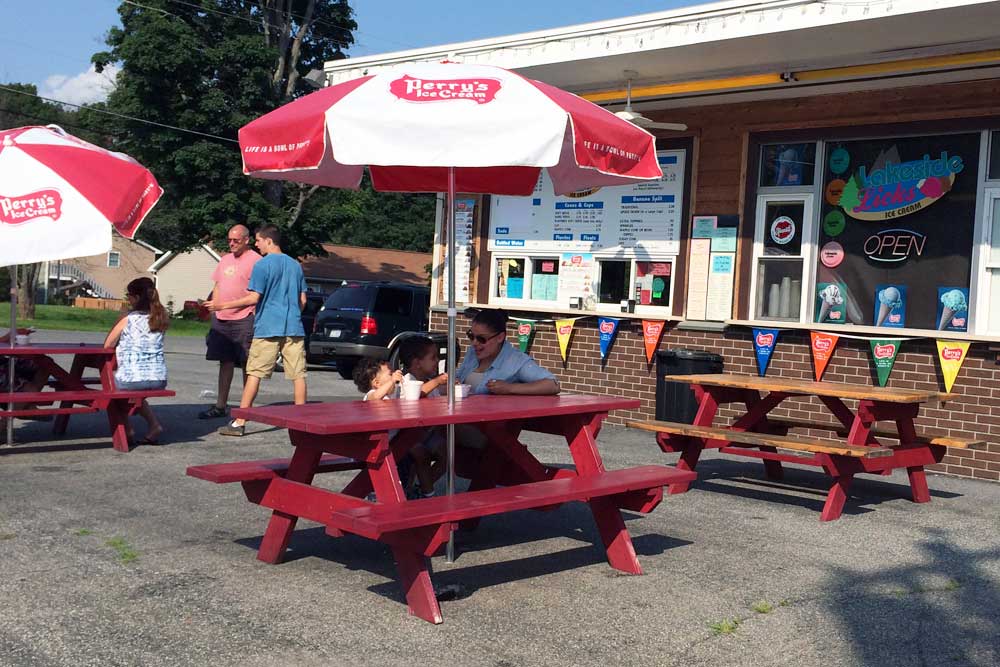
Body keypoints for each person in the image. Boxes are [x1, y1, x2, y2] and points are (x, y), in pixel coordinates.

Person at [206, 225, 308, 437]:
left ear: (269, 241)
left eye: (259, 241)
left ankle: (240, 421)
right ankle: (302, 421)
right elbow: (302, 300)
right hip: (294, 327)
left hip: (268, 327)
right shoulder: (295, 265)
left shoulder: (262, 265)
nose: (257, 244)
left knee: (254, 373)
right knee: (298, 375)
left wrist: (221, 306)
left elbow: (254, 298)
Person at [198, 224, 261, 419]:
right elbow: (218, 284)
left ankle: (245, 408)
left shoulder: (256, 261)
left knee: (246, 363)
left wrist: (225, 306)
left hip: (244, 318)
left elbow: (255, 295)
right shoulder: (225, 260)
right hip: (222, 318)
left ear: (246, 240)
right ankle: (220, 405)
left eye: (236, 240)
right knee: (225, 362)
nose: (232, 244)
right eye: (229, 240)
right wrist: (215, 305)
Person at [103, 277, 169, 445]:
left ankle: (127, 430)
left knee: (112, 390)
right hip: (158, 378)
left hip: (132, 378)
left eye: (129, 295)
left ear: (137, 298)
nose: (128, 299)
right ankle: (154, 426)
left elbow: (107, 344)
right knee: (136, 394)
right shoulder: (160, 318)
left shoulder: (128, 319)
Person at [455, 308, 560, 396]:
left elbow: (552, 384)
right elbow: (459, 377)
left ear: (500, 337)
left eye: (481, 339)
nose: (474, 342)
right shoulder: (472, 352)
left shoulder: (515, 361)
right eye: (471, 336)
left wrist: (509, 388)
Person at [398, 336, 449, 497]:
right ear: (417, 363)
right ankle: (427, 493)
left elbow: (436, 397)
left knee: (448, 455)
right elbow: (417, 393)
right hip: (406, 436)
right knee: (421, 454)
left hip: (426, 434)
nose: (437, 361)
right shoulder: (406, 382)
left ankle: (421, 488)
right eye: (433, 357)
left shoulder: (429, 382)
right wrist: (437, 381)